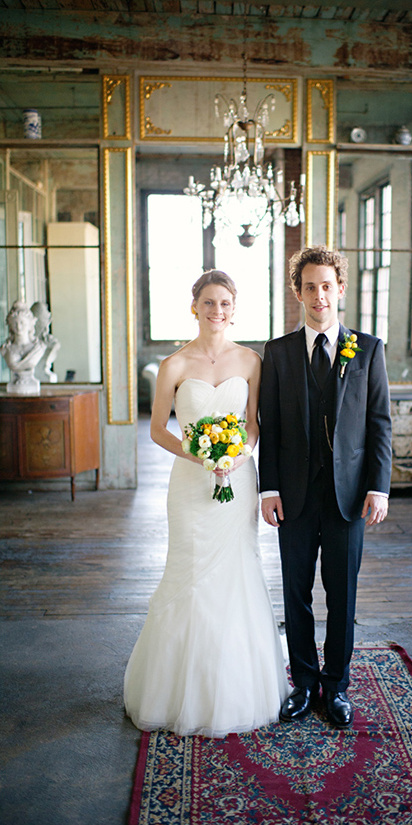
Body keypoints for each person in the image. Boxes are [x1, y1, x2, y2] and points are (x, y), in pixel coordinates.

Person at [124, 270, 290, 737]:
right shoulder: (173, 365)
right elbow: (159, 428)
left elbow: (254, 423)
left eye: (225, 304)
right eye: (209, 302)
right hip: (190, 484)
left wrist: (237, 456)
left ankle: (237, 684)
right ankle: (176, 689)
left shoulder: (251, 361)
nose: (217, 311)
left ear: (234, 310)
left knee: (237, 569)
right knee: (189, 571)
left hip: (237, 480)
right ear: (193, 306)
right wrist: (197, 453)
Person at [259, 245, 392, 729]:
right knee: (295, 593)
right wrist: (267, 488)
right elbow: (268, 427)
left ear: (341, 289)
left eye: (327, 286)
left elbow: (379, 424)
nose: (319, 295)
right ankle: (304, 683)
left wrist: (379, 487)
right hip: (293, 496)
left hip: (349, 495)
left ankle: (335, 686)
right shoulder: (277, 353)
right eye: (309, 286)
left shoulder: (368, 349)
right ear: (298, 292)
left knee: (343, 594)